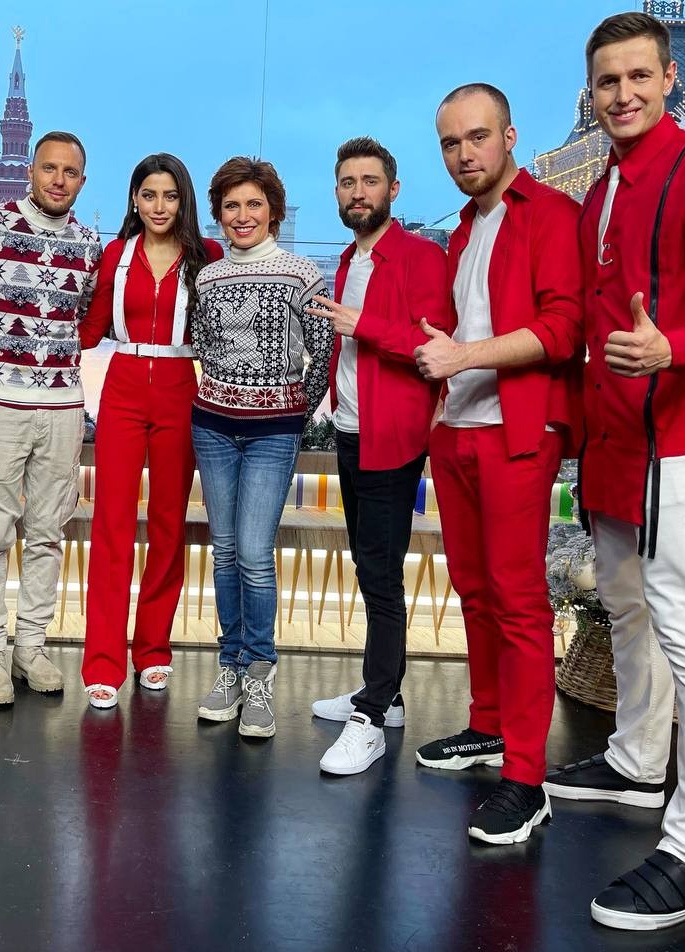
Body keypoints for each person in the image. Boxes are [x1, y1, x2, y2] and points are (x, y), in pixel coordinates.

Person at [543, 12, 685, 929]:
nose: (623, 94)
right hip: (612, 440)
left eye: (639, 76)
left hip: (683, 436)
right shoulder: (600, 190)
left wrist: (673, 345)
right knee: (626, 605)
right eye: (608, 81)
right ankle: (637, 761)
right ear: (591, 92)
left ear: (671, 78)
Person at [411, 85, 583, 842]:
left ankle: (526, 776)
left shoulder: (551, 214)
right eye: (450, 143)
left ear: (510, 136)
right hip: (457, 431)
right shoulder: (461, 230)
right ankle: (487, 726)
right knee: (475, 590)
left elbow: (564, 327)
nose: (464, 154)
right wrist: (442, 395)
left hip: (519, 429)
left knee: (518, 602)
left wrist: (464, 357)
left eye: (477, 137)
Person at [304, 137, 449, 775]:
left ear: (394, 189)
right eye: (347, 183)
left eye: (369, 182)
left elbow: (432, 343)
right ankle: (383, 695)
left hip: (393, 437)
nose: (357, 193)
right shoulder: (347, 260)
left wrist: (360, 323)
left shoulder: (421, 256)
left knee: (382, 575)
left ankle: (370, 717)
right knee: (369, 568)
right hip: (351, 432)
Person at [191, 157, 334, 739]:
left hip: (273, 431)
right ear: (219, 214)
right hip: (212, 425)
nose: (242, 215)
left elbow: (323, 352)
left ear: (273, 210)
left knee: (253, 552)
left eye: (254, 204)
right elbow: (203, 345)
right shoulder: (208, 278)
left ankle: (259, 670)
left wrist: (294, 410)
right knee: (224, 552)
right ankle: (229, 665)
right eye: (231, 205)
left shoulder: (302, 274)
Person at [0, 132, 103, 706]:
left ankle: (31, 646)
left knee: (48, 533)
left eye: (70, 172)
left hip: (63, 407)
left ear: (82, 181)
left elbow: (82, 320)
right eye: (49, 168)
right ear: (30, 171)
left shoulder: (88, 245)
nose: (58, 180)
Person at [76, 154, 224, 709]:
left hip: (181, 389)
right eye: (148, 195)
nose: (159, 206)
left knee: (167, 525)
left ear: (183, 201)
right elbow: (90, 329)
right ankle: (103, 661)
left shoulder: (207, 257)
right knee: (111, 525)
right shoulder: (116, 254)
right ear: (134, 200)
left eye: (170, 196)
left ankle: (154, 649)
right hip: (123, 385)